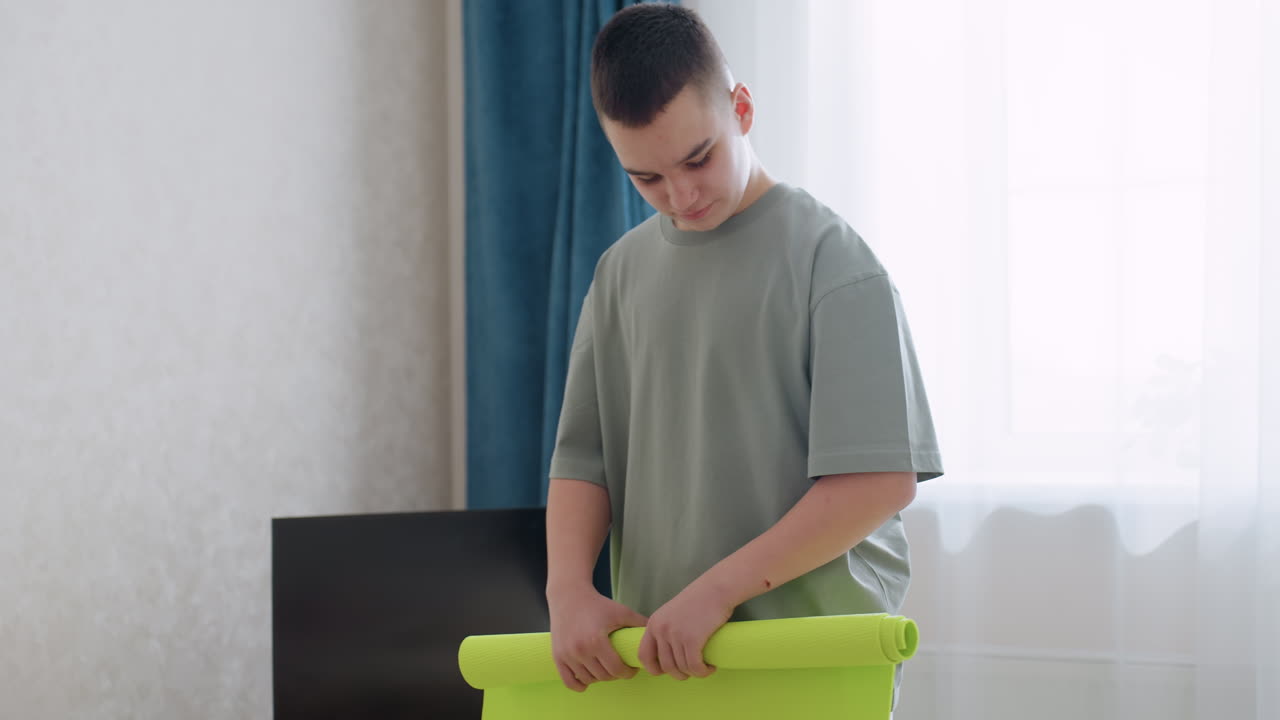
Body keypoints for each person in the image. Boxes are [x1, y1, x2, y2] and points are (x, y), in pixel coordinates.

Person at [544, 2, 943, 696]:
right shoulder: (619, 275)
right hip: (666, 664)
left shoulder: (832, 261)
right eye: (647, 179)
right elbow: (584, 463)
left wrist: (719, 590)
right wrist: (568, 591)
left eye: (699, 157)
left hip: (812, 659)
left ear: (743, 109)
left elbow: (880, 479)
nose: (682, 194)